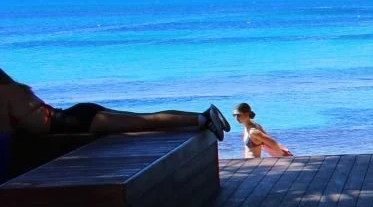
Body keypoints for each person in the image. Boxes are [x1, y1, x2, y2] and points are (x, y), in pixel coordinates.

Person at [0, 67, 227, 142]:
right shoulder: (15, 88)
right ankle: (203, 116)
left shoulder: (3, 94)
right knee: (141, 118)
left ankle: (204, 118)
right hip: (76, 115)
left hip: (73, 122)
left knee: (141, 122)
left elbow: (5, 133)